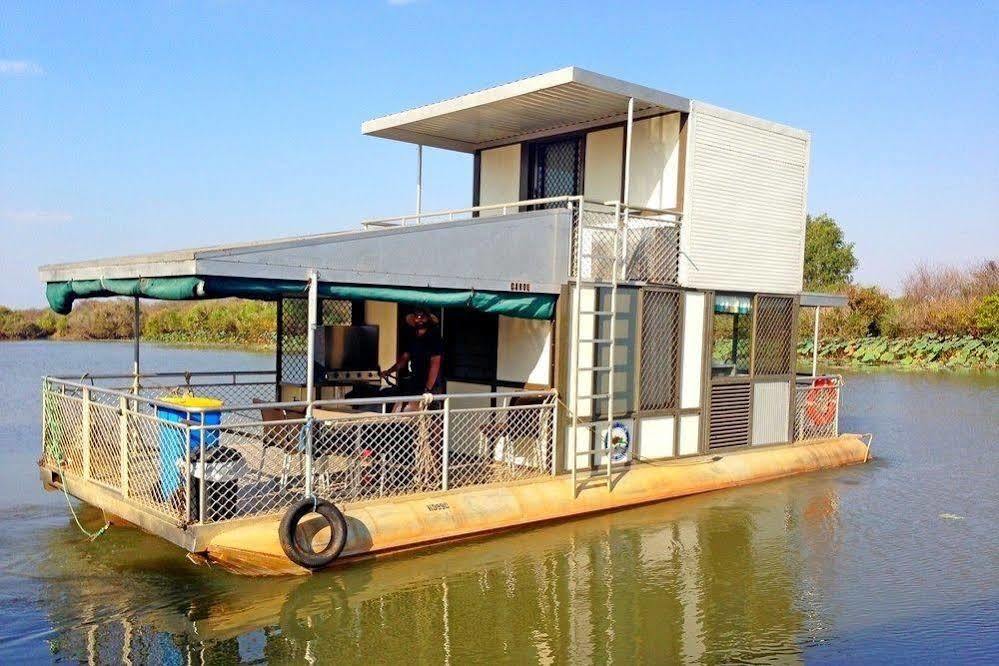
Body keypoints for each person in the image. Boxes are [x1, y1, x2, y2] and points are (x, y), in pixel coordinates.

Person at [380, 308, 443, 410]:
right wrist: (389, 371)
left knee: (431, 418)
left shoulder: (434, 338)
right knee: (407, 411)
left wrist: (427, 389)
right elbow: (404, 359)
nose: (420, 319)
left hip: (431, 386)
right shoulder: (412, 338)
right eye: (417, 317)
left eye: (423, 317)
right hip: (415, 382)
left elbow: (435, 364)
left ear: (428, 319)